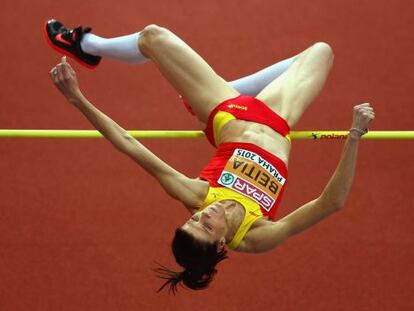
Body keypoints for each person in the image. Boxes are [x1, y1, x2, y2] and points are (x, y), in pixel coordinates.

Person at [45, 19, 375, 293]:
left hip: (226, 111)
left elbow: (129, 143)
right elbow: (332, 202)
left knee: (152, 37)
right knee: (321, 52)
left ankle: (87, 46)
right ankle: (230, 87)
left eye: (193, 218)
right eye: (205, 224)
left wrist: (78, 100)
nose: (205, 213)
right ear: (220, 245)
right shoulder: (257, 235)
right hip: (279, 116)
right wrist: (354, 137)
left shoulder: (198, 195)